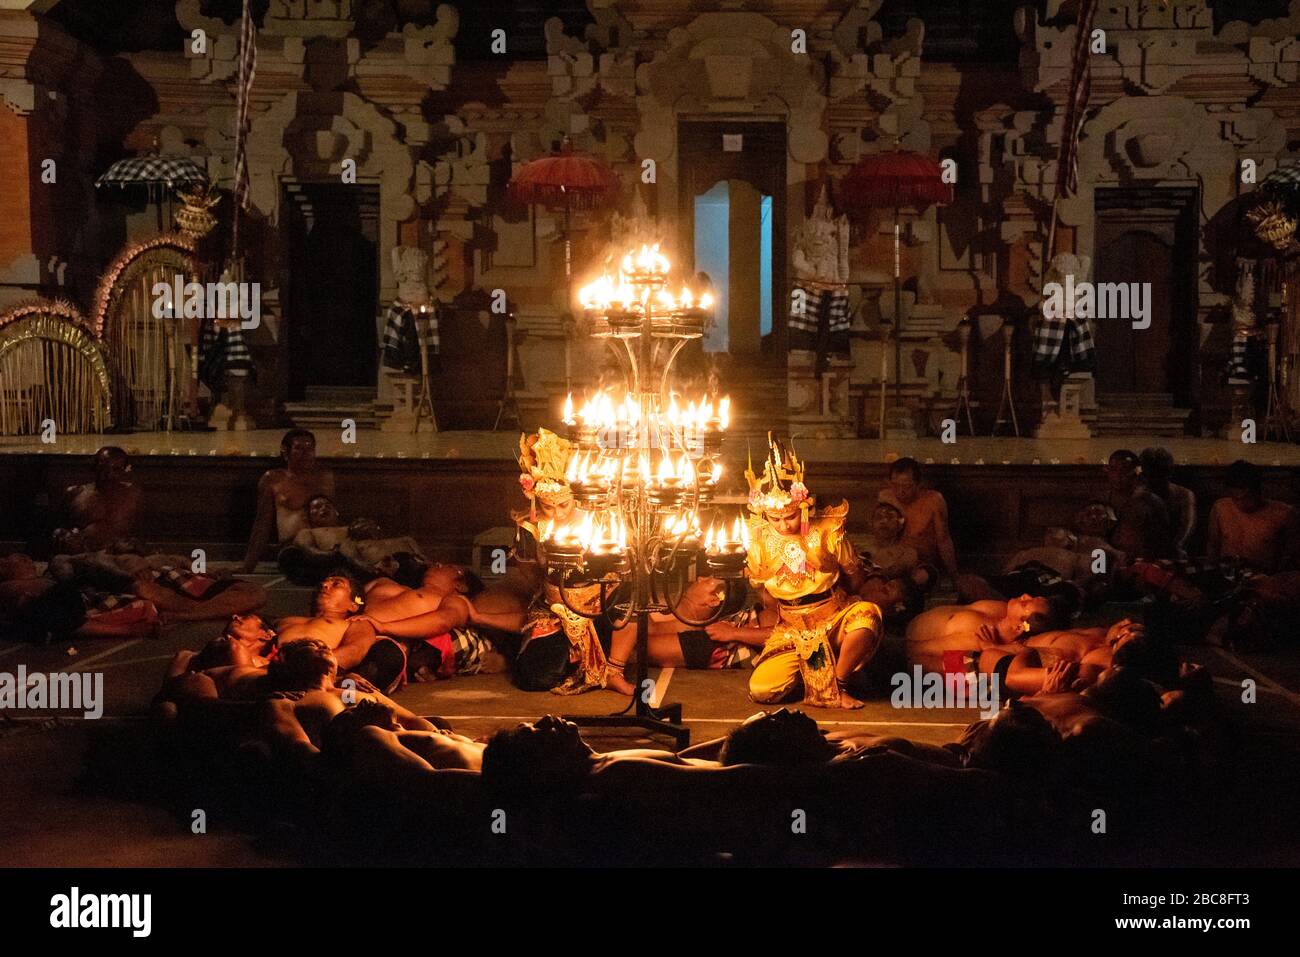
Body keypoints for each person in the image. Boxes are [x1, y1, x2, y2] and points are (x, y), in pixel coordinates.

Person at [744, 435, 883, 709]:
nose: (783, 525)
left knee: (868, 616)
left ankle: (840, 682)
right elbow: (765, 597)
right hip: (791, 629)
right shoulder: (758, 538)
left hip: (833, 616)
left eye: (790, 516)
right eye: (775, 519)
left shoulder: (828, 529)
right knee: (763, 691)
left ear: (804, 507)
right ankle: (814, 670)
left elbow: (855, 576)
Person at [276, 576, 404, 689]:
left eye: (336, 584)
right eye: (323, 584)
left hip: (317, 673)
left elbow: (355, 651)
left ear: (353, 605)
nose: (324, 585)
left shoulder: (355, 622)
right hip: (272, 671)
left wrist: (307, 666)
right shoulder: (285, 620)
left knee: (388, 654)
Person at [278, 494, 427, 585]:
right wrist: (335, 554)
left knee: (407, 540)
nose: (323, 508)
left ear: (336, 511)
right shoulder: (308, 532)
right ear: (308, 516)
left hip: (382, 554)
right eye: (316, 508)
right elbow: (309, 550)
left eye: (327, 505)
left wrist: (370, 528)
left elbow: (379, 536)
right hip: (353, 561)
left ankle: (424, 565)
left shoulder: (353, 525)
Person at [242, 429, 336, 572]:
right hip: (293, 549)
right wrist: (248, 565)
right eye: (299, 448)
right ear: (286, 452)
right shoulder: (273, 479)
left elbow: (334, 518)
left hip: (324, 544)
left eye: (310, 448)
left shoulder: (325, 477)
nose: (306, 454)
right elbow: (262, 524)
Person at [1207, 459, 1299, 573]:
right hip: (1227, 575)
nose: (1241, 503)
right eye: (1236, 498)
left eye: (1247, 497)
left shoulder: (1284, 514)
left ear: (1258, 491)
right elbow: (1213, 545)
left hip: (1264, 579)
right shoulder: (1220, 508)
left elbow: (1293, 556)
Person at [878, 457, 959, 583]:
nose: (901, 491)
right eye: (895, 485)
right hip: (893, 561)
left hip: (923, 565)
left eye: (907, 486)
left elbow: (943, 539)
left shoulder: (933, 500)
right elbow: (880, 538)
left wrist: (954, 576)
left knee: (916, 580)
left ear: (918, 484)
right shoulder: (886, 498)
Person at [53, 447, 143, 553]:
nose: (109, 474)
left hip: (120, 555)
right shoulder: (75, 494)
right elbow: (60, 529)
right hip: (82, 556)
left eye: (116, 469)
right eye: (104, 468)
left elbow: (144, 530)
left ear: (124, 470)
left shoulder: (133, 494)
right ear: (94, 467)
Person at [1104, 449, 1172, 562]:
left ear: (1136, 472)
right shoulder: (1101, 499)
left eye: (1124, 470)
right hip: (1107, 559)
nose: (1118, 475)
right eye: (1113, 469)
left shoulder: (1150, 502)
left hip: (1141, 562)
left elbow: (1161, 539)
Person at [1139, 447, 1196, 560]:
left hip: (1174, 551)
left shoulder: (1183, 495)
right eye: (1151, 476)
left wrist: (1177, 545)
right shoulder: (1139, 495)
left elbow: (1187, 526)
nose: (1154, 480)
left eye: (1160, 475)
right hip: (1144, 552)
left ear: (1169, 473)